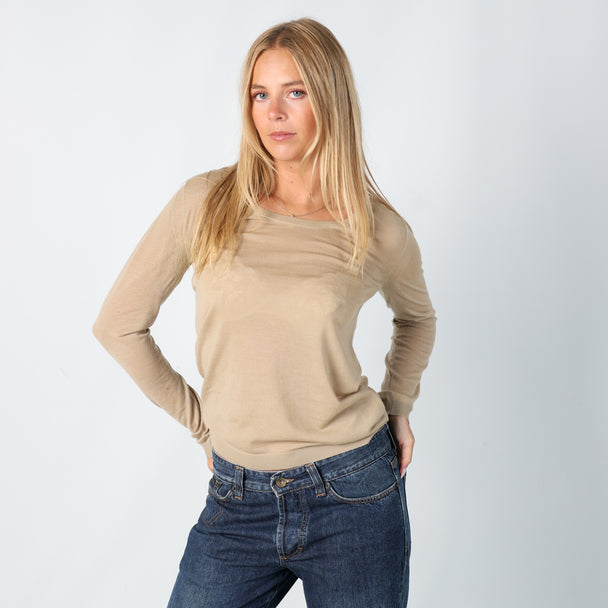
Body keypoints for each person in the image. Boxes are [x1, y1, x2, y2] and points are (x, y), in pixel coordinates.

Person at [93, 17, 436, 608]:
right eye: (260, 94)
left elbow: (417, 319)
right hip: (236, 499)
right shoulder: (207, 202)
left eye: (294, 92)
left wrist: (398, 403)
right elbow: (118, 324)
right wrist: (203, 426)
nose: (273, 112)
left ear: (330, 98)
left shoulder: (377, 228)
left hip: (354, 490)